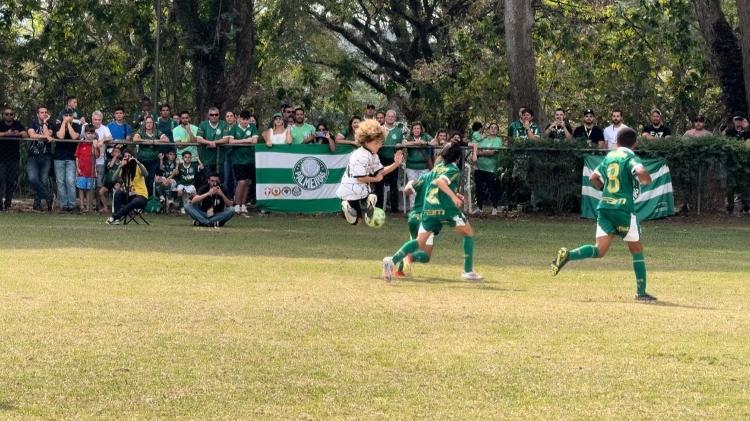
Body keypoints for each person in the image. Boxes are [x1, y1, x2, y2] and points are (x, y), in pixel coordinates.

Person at [550, 128, 656, 301]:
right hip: (623, 209)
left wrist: (605, 190)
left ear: (617, 142)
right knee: (637, 250)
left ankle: (568, 255)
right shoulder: (631, 157)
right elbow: (641, 171)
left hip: (605, 207)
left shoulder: (609, 157)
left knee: (599, 250)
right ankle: (641, 292)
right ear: (635, 143)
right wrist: (646, 179)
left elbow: (593, 177)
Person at [382, 140, 483, 282]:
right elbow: (441, 183)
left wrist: (453, 194)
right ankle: (468, 271)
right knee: (468, 233)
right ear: (458, 158)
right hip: (446, 210)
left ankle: (392, 261)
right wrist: (454, 197)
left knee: (419, 242)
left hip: (428, 210)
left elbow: (430, 186)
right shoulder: (453, 169)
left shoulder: (434, 170)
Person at [337, 119, 404, 225]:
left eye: (381, 143)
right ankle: (347, 205)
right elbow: (360, 178)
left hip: (360, 189)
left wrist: (396, 164)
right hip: (350, 190)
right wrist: (375, 179)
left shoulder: (372, 154)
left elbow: (381, 172)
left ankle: (367, 200)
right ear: (366, 141)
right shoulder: (360, 155)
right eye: (376, 143)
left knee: (358, 220)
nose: (380, 145)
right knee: (356, 222)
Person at [226, 110, 259, 215]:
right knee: (241, 182)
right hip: (238, 160)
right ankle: (236, 204)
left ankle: (243, 205)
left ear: (249, 119)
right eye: (243, 119)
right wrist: (246, 140)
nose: (245, 121)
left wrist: (240, 141)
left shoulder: (252, 127)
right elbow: (231, 141)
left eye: (247, 119)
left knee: (248, 182)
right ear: (239, 119)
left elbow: (254, 141)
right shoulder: (234, 128)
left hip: (250, 159)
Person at [106, 149, 149, 224]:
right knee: (118, 193)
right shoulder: (124, 169)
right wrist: (120, 166)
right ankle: (116, 220)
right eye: (125, 156)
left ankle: (114, 217)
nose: (127, 158)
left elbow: (146, 174)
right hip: (130, 195)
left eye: (129, 156)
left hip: (141, 196)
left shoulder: (138, 166)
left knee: (134, 201)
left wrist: (137, 162)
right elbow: (113, 178)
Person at [373, 109, 404, 213]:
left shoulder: (398, 131)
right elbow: (374, 144)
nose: (390, 118)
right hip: (379, 159)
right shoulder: (379, 129)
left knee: (394, 184)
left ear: (395, 119)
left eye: (392, 116)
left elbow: (400, 147)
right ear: (385, 117)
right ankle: (378, 208)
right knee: (379, 182)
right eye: (389, 116)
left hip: (393, 160)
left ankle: (395, 209)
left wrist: (399, 152)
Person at [26, 106, 54, 211]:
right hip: (33, 156)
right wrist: (45, 137)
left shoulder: (51, 124)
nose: (44, 114)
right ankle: (49, 196)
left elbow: (48, 134)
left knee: (43, 180)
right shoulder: (32, 123)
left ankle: (37, 205)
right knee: (32, 178)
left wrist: (45, 123)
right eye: (42, 112)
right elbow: (32, 135)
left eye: (46, 112)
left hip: (46, 156)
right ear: (38, 114)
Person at [133, 115, 169, 196]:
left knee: (150, 180)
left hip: (153, 160)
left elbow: (166, 139)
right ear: (144, 123)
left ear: (153, 123)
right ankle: (142, 198)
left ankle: (149, 198)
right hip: (142, 160)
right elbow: (135, 139)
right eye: (147, 122)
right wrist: (146, 141)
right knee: (142, 179)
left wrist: (154, 141)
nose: (149, 124)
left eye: (151, 122)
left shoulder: (157, 132)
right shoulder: (141, 131)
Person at [54, 108, 82, 211]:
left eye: (70, 115)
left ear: (73, 117)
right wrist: (63, 123)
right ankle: (64, 205)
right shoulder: (57, 125)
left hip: (71, 158)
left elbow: (74, 137)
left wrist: (69, 124)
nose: (68, 117)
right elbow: (60, 136)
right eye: (66, 115)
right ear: (62, 116)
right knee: (60, 182)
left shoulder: (77, 126)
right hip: (58, 158)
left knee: (70, 181)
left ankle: (72, 205)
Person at [401, 121, 433, 209]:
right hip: (411, 167)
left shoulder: (426, 136)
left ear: (421, 129)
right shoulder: (409, 137)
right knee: (412, 187)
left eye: (418, 128)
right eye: (414, 128)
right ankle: (413, 209)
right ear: (412, 130)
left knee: (423, 188)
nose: (416, 130)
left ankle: (423, 208)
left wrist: (424, 143)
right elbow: (404, 143)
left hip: (424, 167)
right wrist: (416, 143)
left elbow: (434, 142)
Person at [472, 122, 502, 215]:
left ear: (497, 131)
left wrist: (480, 153)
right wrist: (481, 152)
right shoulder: (482, 140)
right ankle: (479, 208)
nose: (493, 129)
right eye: (491, 127)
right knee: (479, 188)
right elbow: (475, 149)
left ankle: (494, 208)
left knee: (492, 188)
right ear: (488, 130)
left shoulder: (498, 140)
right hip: (479, 167)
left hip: (491, 168)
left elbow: (492, 152)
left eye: (495, 128)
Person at [0, 106, 26, 211]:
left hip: (14, 158)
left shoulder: (17, 124)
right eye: (7, 114)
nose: (9, 116)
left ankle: (8, 204)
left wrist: (18, 133)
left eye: (11, 114)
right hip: (1, 158)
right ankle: (0, 205)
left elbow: (26, 134)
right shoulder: (0, 124)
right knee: (1, 181)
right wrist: (5, 134)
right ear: (3, 115)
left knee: (11, 181)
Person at [89, 111, 113, 211]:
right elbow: (80, 137)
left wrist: (102, 140)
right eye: (95, 119)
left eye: (99, 120)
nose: (97, 121)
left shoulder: (105, 128)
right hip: (88, 160)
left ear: (101, 120)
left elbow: (110, 137)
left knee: (99, 184)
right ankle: (89, 206)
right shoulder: (87, 127)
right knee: (89, 184)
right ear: (92, 119)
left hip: (100, 161)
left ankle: (99, 206)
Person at [196, 107, 228, 177]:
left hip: (219, 159)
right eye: (212, 115)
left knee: (219, 181)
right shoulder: (203, 124)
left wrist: (214, 143)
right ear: (208, 115)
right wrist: (210, 143)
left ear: (219, 115)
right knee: (207, 181)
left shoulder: (223, 124)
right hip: (206, 159)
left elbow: (226, 139)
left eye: (216, 114)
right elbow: (199, 139)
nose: (214, 116)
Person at [75, 125, 97, 212]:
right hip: (82, 171)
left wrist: (94, 145)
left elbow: (96, 155)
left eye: (92, 133)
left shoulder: (95, 144)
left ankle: (88, 207)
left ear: (94, 134)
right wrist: (77, 168)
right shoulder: (81, 143)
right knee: (81, 189)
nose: (90, 135)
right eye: (88, 133)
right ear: (85, 134)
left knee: (89, 189)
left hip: (91, 172)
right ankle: (82, 206)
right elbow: (77, 156)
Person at [99, 147, 123, 213]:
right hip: (109, 182)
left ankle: (117, 208)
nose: (117, 153)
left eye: (118, 152)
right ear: (112, 154)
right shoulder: (109, 161)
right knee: (101, 192)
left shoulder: (122, 162)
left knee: (117, 188)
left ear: (121, 154)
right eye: (115, 152)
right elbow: (110, 166)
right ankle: (105, 208)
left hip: (117, 181)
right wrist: (115, 157)